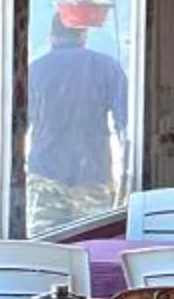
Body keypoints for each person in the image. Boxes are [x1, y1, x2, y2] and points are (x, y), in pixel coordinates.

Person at [26, 13, 128, 235]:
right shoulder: (107, 67)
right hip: (93, 174)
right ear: (84, 33)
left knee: (43, 250)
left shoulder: (34, 71)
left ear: (52, 36)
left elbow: (19, 124)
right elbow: (126, 126)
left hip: (46, 174)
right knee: (93, 246)